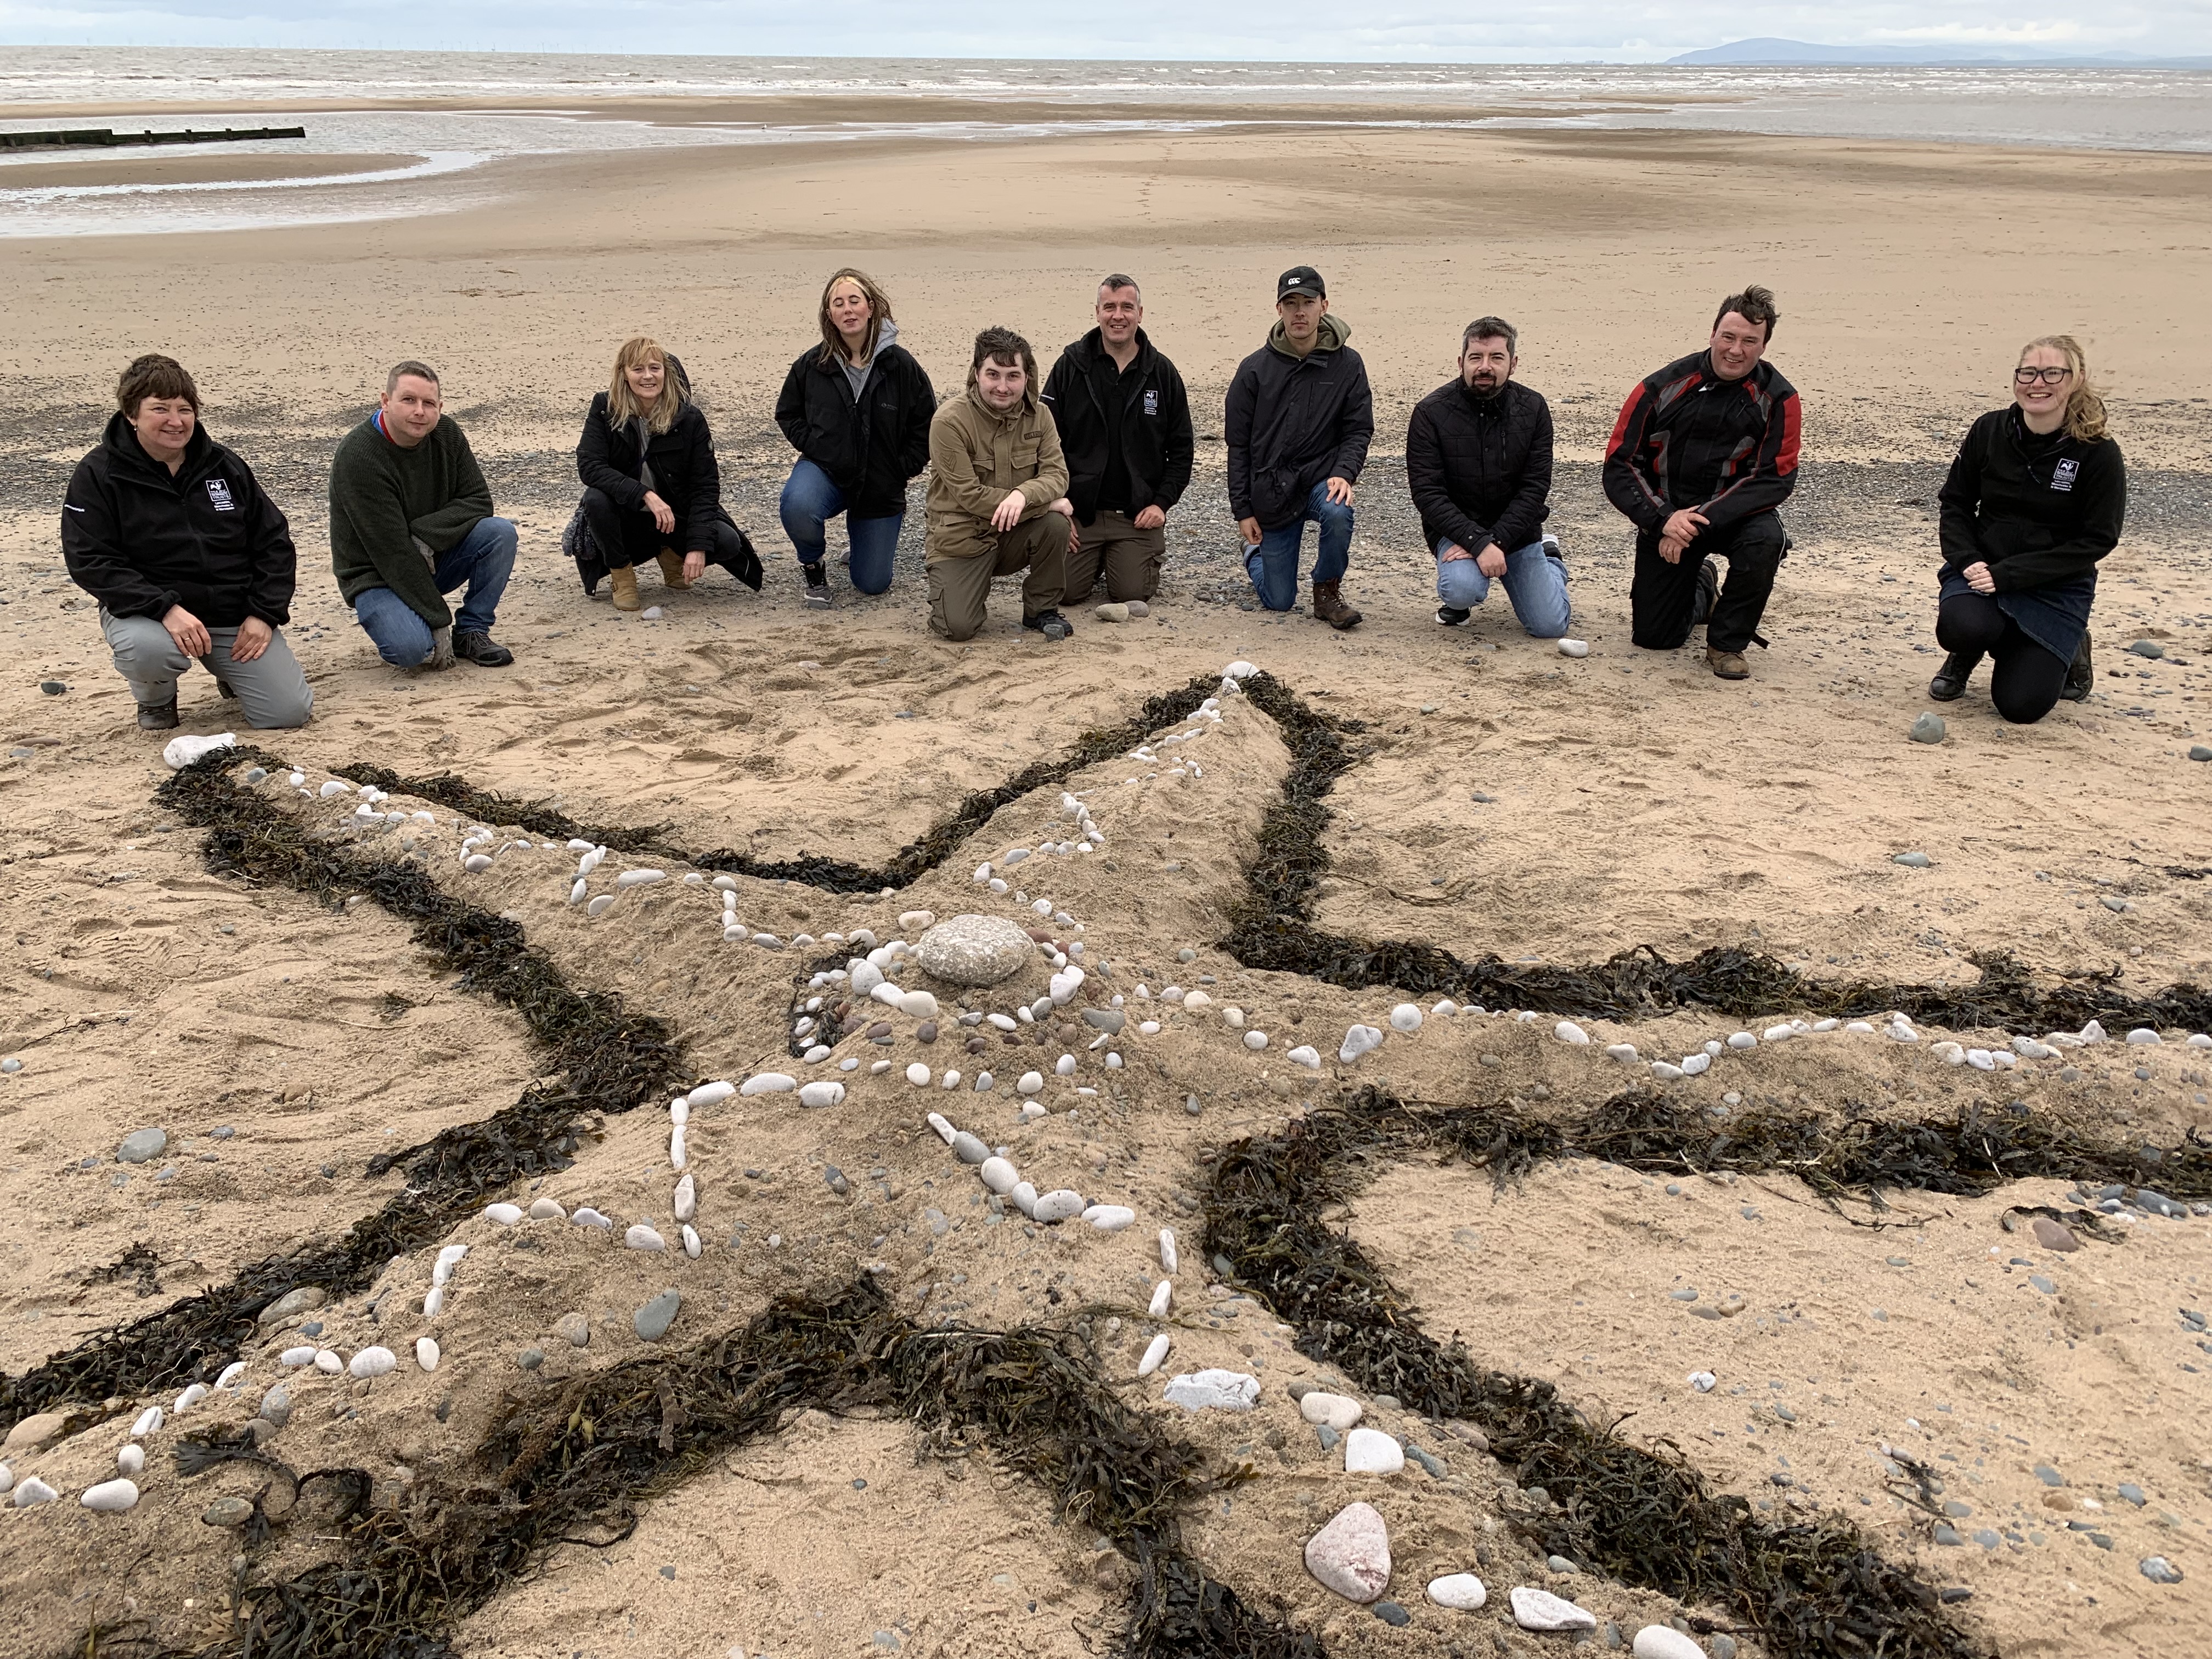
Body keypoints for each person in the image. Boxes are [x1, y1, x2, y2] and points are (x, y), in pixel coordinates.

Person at [61, 354, 313, 731]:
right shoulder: (98, 474)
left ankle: (231, 673)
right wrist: (165, 609)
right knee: (149, 652)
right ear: (132, 415)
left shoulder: (224, 466)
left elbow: (274, 541)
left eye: (185, 409)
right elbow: (91, 560)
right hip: (151, 616)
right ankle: (157, 699)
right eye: (160, 409)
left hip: (232, 615)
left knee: (288, 714)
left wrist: (264, 613)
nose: (176, 421)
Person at [1605, 284, 1801, 680]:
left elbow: (1774, 479)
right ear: (1712, 335)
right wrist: (1663, 520)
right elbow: (1619, 466)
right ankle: (1704, 588)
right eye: (1728, 337)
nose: (1736, 349)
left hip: (1734, 517)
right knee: (1654, 638)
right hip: (1667, 515)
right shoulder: (1660, 387)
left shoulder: (1779, 399)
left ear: (1764, 346)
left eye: (1750, 341)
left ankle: (1726, 643)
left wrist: (1695, 522)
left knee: (1767, 540)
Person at [1928, 336, 2120, 721]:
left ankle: (2067, 645)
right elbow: (1956, 503)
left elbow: (2098, 538)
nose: (2038, 383)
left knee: (2021, 708)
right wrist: (1967, 561)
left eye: (2053, 373)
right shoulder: (1989, 430)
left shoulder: (2097, 451)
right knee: (1961, 628)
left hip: (2054, 584)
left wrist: (2011, 576)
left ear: (2077, 379)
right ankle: (1967, 652)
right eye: (2029, 372)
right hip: (1983, 571)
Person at [330, 362, 516, 669]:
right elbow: (392, 553)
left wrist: (424, 534)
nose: (420, 411)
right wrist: (438, 619)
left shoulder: (446, 433)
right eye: (408, 400)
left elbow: (479, 501)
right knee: (412, 652)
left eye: (428, 403)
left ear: (439, 407)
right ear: (386, 401)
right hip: (375, 574)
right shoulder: (359, 456)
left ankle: (471, 631)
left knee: (499, 533)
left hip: (430, 558)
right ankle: (410, 621)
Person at [775, 268, 935, 607]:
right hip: (827, 472)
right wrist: (817, 445)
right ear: (829, 315)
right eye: (838, 304)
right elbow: (787, 413)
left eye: (854, 301)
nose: (848, 310)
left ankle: (860, 543)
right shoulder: (812, 365)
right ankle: (814, 565)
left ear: (871, 307)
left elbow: (927, 423)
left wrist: (903, 467)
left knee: (872, 584)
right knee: (798, 504)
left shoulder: (901, 365)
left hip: (880, 483)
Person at [1224, 266, 1372, 629]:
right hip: (1273, 489)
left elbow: (1358, 429)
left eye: (1307, 302)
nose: (1299, 312)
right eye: (1291, 304)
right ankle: (1253, 554)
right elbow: (1238, 445)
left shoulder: (1348, 364)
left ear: (1324, 306)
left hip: (1322, 478)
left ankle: (1326, 591)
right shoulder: (1254, 370)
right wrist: (1243, 511)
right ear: (1279, 310)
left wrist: (1344, 472)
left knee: (1338, 511)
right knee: (1279, 601)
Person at [572, 338, 761, 612]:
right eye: (638, 369)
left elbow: (705, 486)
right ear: (624, 375)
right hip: (628, 517)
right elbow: (589, 466)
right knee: (596, 498)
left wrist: (696, 547)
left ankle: (671, 554)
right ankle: (622, 576)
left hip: (675, 516)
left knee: (727, 543)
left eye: (655, 368)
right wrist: (644, 494)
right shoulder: (605, 408)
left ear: (666, 373)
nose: (648, 376)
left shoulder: (690, 419)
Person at [1406, 316, 1566, 637]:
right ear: (1461, 361)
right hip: (1457, 531)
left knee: (1550, 627)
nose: (1485, 367)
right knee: (1462, 588)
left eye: (1496, 357)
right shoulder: (1430, 413)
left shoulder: (1533, 408)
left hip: (1518, 533)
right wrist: (1477, 542)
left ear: (1513, 363)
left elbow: (1535, 488)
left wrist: (1498, 540)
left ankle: (1551, 561)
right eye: (1476, 357)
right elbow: (1428, 494)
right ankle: (1459, 603)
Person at [1040, 274, 1194, 606]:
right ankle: (1092, 559)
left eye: (1127, 307)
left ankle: (1118, 558)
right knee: (1064, 595)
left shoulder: (1162, 373)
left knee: (1130, 594)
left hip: (1136, 514)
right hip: (1080, 512)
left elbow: (1182, 450)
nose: (1118, 315)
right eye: (1110, 307)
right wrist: (1057, 507)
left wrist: (1161, 504)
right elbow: (1042, 442)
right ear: (1097, 313)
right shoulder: (1070, 366)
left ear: (1141, 313)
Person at [923, 326, 1075, 642]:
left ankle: (1041, 609)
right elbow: (969, 495)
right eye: (993, 374)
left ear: (1027, 377)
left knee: (1056, 525)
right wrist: (1045, 502)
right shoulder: (948, 421)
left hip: (1013, 534)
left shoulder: (1041, 416)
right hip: (962, 538)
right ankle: (958, 592)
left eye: (1013, 376)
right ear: (977, 374)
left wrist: (1024, 495)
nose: (1003, 387)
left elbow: (1057, 476)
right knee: (958, 628)